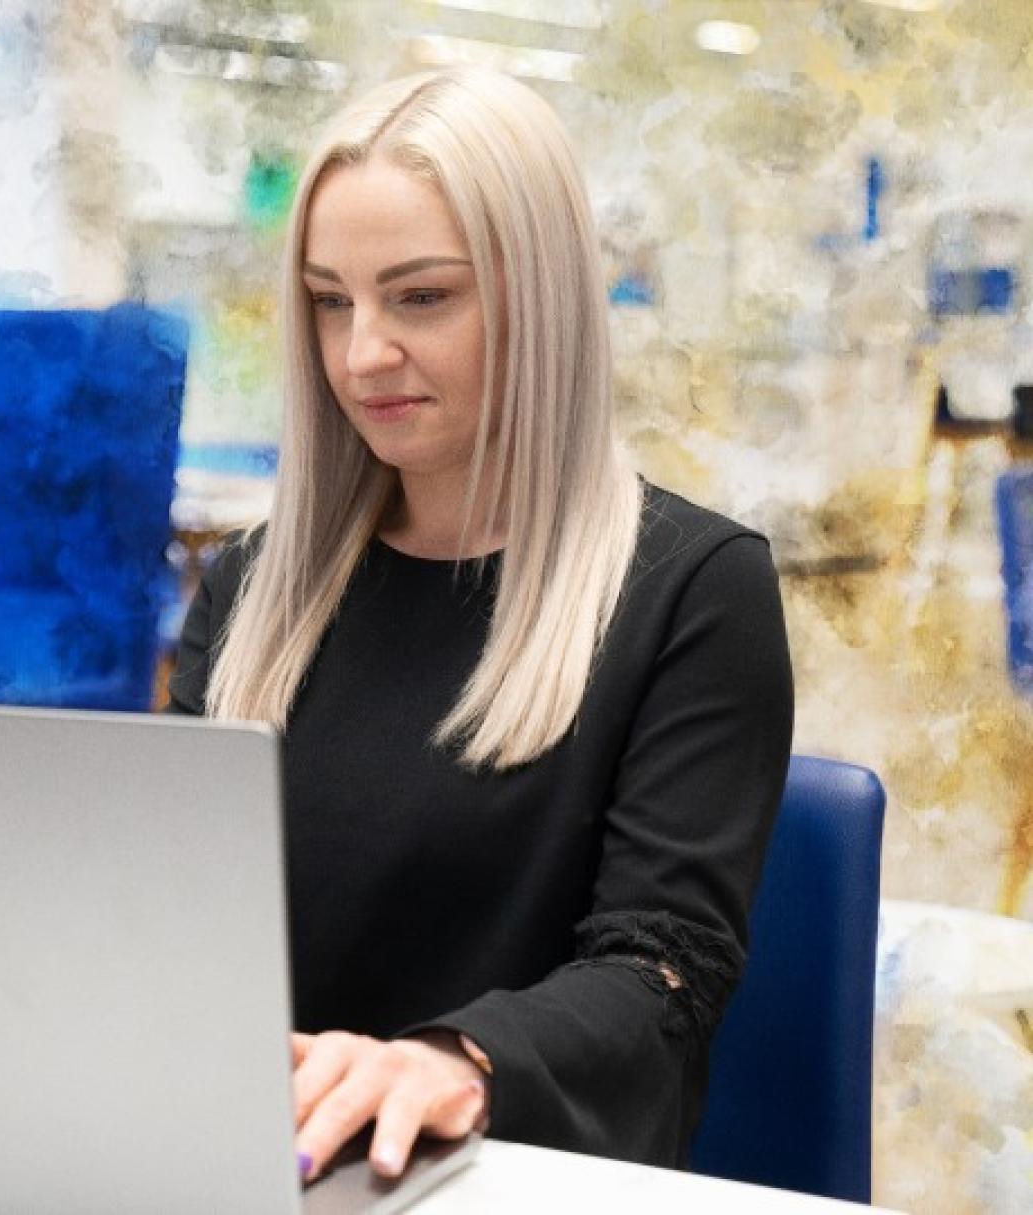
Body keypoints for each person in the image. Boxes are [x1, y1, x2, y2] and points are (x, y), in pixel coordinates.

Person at [164, 65, 794, 1183]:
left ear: (537, 298)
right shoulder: (253, 588)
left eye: (420, 297)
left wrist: (451, 1062)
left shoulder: (696, 590)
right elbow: (168, 928)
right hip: (261, 1167)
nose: (362, 354)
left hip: (511, 1173)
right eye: (329, 299)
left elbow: (661, 971)